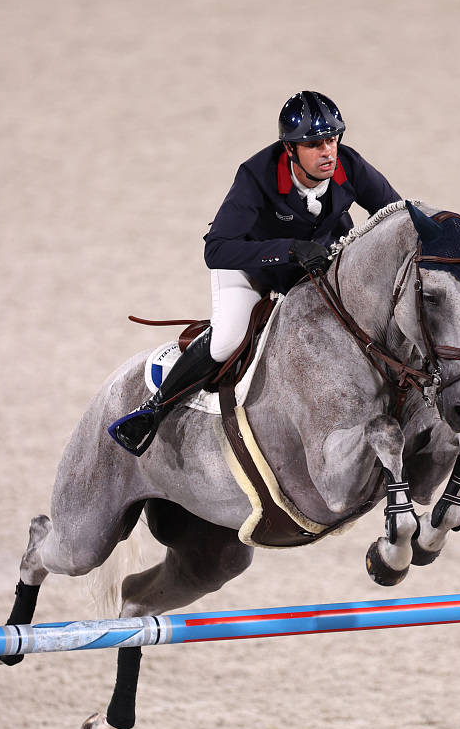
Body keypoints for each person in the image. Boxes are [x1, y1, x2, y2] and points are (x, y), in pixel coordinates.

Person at [109, 90, 401, 455]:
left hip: (315, 265)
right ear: (290, 149)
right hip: (249, 265)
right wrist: (288, 250)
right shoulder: (257, 176)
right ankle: (152, 411)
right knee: (229, 338)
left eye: (331, 139)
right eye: (313, 144)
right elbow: (215, 249)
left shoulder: (349, 166)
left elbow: (396, 215)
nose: (327, 151)